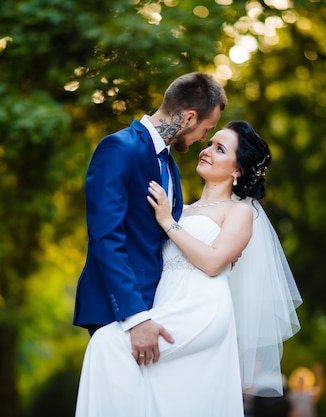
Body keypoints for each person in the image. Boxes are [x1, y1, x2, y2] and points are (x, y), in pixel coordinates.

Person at [75, 121, 302, 417]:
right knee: (162, 395)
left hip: (201, 309)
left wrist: (169, 223)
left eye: (219, 149)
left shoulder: (240, 212)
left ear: (237, 171)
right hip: (166, 303)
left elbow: (212, 262)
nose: (206, 151)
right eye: (210, 144)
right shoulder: (182, 207)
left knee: (108, 344)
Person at [72, 72, 228, 363]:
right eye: (206, 130)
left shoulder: (169, 164)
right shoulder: (119, 148)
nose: (203, 139)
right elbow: (106, 237)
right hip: (120, 311)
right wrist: (135, 317)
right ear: (189, 118)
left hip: (160, 308)